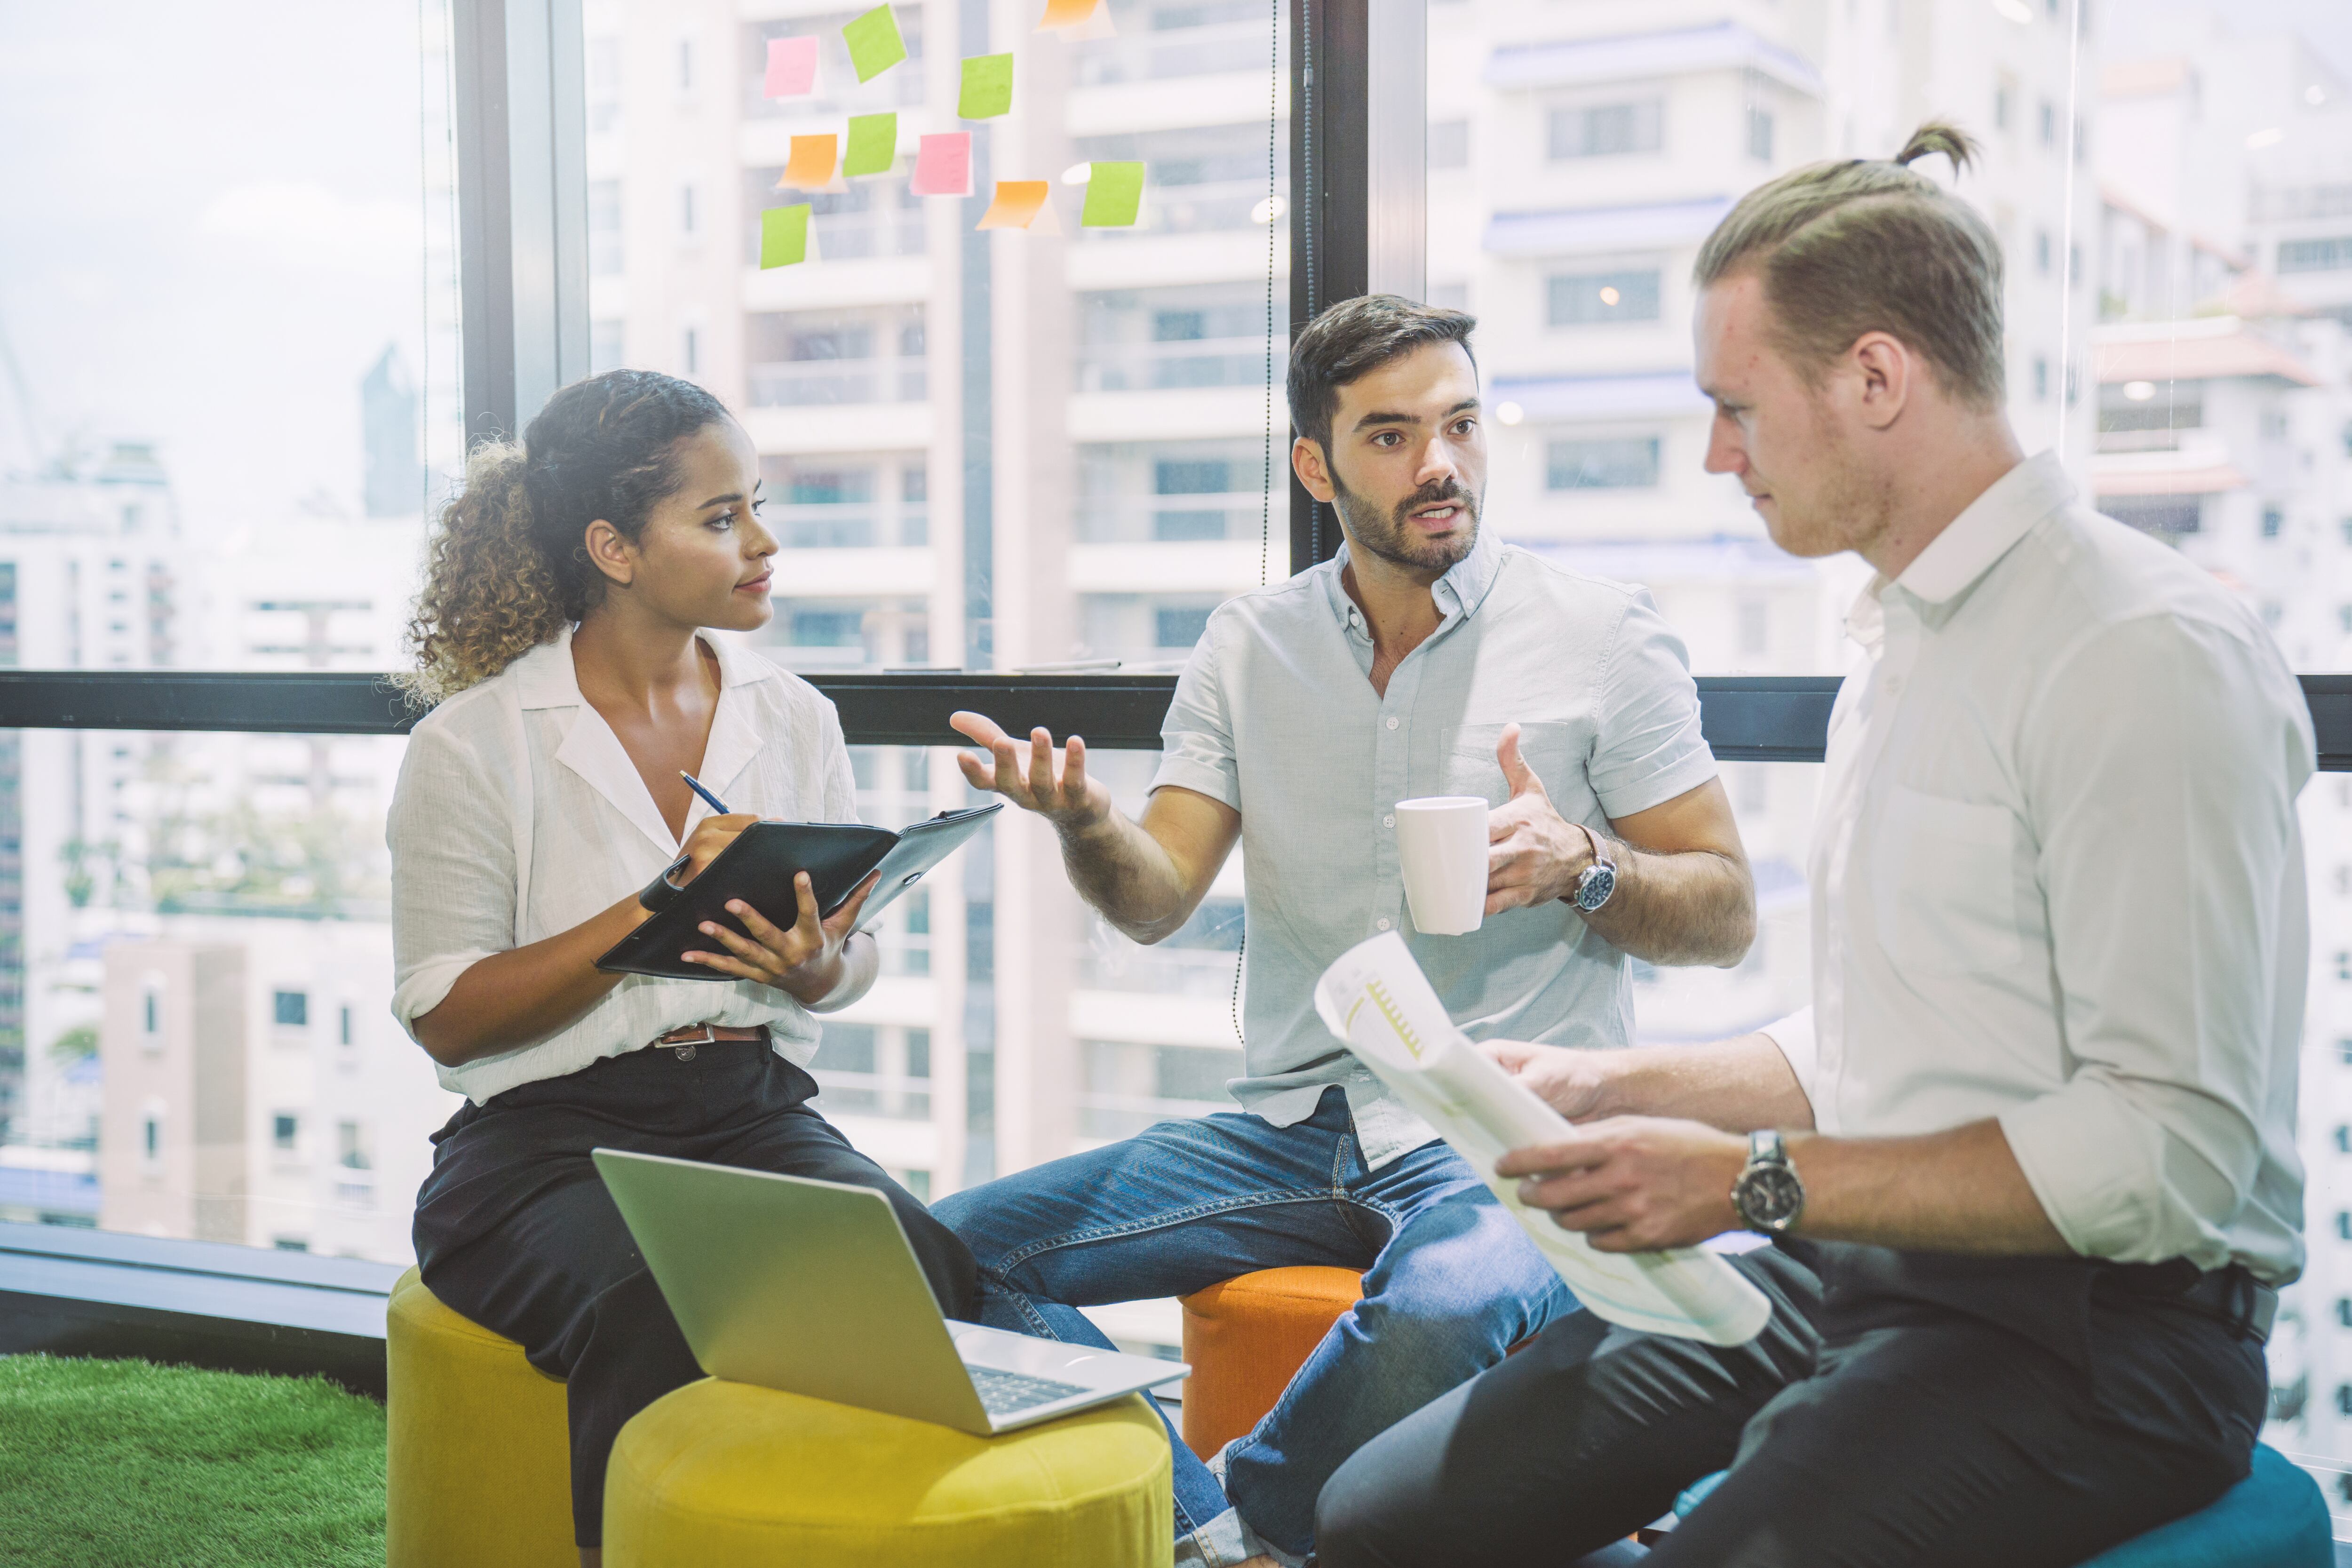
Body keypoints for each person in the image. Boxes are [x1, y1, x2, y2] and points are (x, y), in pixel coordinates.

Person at [1313, 123, 2304, 1568]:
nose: (1718, 454)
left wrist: (1747, 1178)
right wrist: (1607, 1084)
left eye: (1738, 408)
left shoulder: (2136, 652)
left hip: (2098, 1336)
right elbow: (1895, 1043)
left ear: (1877, 378)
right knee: (1379, 1521)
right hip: (1858, 1259)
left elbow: (2174, 1152)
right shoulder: (1901, 647)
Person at [935, 294, 1760, 1568]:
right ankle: (1200, 1526)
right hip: (1289, 1122)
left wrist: (1584, 864)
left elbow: (1726, 911)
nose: (1440, 463)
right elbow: (1155, 898)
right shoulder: (1249, 644)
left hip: (1494, 1117)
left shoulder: (1601, 633)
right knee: (937, 1254)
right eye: (1391, 435)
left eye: (1461, 424)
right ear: (1315, 468)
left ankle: (1247, 1533)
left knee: (1446, 1305)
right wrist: (1087, 820)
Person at [388, 369, 977, 1567]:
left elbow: (851, 959)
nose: (762, 542)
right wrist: (658, 901)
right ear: (612, 548)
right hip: (544, 1145)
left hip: (750, 1111)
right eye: (720, 517)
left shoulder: (795, 715)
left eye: (756, 505)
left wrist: (814, 969)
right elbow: (450, 1019)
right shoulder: (475, 742)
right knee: (654, 1297)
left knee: (923, 1263)